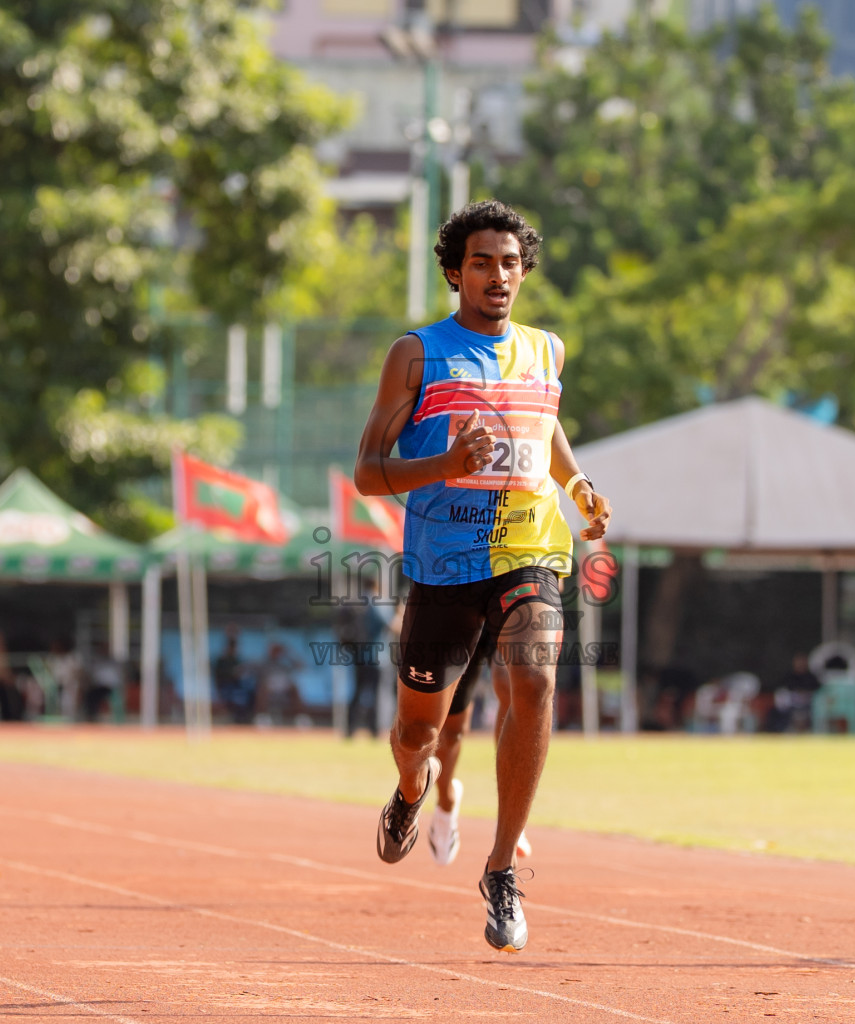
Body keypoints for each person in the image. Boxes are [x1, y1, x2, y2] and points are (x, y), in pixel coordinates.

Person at [353, 199, 611, 952]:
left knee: (534, 679)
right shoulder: (417, 354)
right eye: (481, 263)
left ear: (524, 271)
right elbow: (369, 472)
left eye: (509, 263)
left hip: (529, 550)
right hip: (443, 568)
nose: (498, 275)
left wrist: (577, 481)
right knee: (415, 734)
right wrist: (445, 465)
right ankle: (410, 791)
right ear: (453, 273)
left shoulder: (546, 350)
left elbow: (545, 422)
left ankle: (501, 868)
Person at [426, 628, 534, 866]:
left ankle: (511, 819)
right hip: (466, 599)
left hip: (508, 598)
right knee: (452, 730)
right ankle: (446, 802)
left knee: (509, 681)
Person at [337, 576, 394, 739]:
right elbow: (391, 624)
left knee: (358, 691)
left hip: (360, 654)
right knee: (379, 693)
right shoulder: (378, 602)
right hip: (378, 656)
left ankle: (350, 728)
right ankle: (376, 729)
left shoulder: (358, 602)